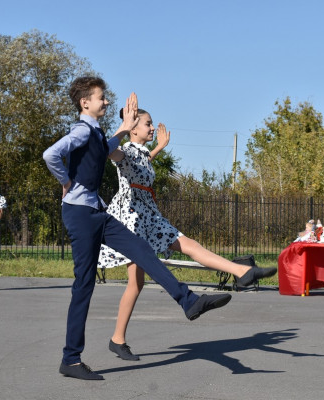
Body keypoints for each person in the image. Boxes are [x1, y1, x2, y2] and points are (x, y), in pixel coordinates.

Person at [43, 76, 232, 381]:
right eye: (101, 97)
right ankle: (71, 360)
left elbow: (104, 148)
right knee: (84, 285)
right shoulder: (81, 130)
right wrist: (66, 182)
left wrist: (124, 127)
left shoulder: (95, 131)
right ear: (85, 102)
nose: (106, 101)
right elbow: (50, 154)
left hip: (97, 213)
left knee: (142, 249)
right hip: (80, 214)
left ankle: (188, 301)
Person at [97, 109, 277, 361]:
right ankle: (117, 339)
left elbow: (142, 163)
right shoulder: (125, 150)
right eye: (148, 124)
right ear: (133, 129)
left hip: (150, 216)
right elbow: (108, 152)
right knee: (136, 284)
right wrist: (123, 128)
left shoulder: (141, 153)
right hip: (132, 220)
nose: (152, 128)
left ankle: (242, 272)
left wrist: (159, 147)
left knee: (189, 245)